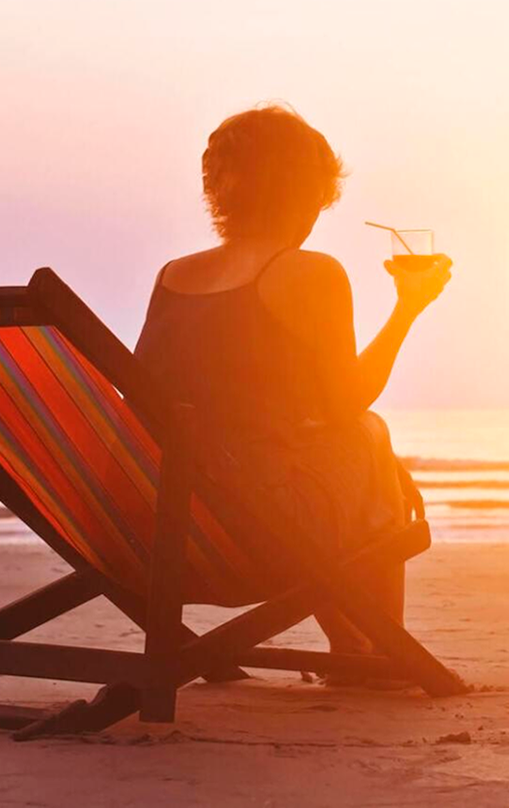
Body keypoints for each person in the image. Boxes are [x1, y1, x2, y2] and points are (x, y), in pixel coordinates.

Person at [136, 103, 452, 660]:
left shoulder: (174, 276)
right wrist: (408, 308)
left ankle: (358, 643)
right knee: (368, 429)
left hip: (160, 537)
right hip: (259, 539)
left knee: (347, 439)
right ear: (310, 191)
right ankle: (371, 652)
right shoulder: (309, 272)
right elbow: (346, 402)